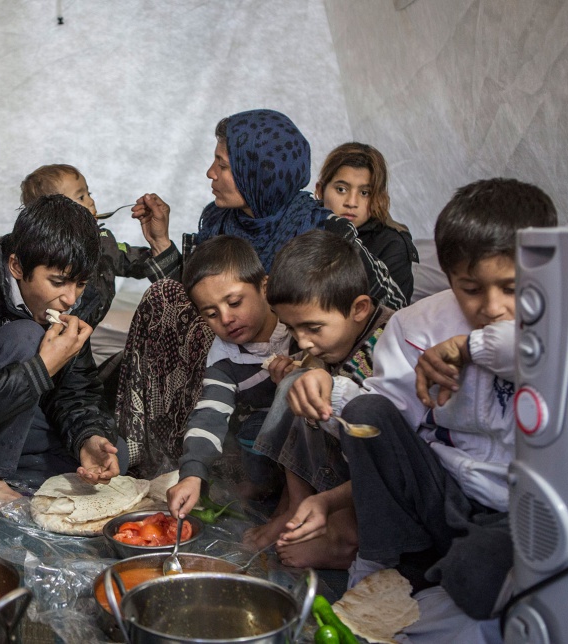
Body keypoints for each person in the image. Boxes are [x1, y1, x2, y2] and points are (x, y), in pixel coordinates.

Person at [115, 109, 407, 476]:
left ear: (260, 171)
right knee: (166, 296)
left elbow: (392, 312)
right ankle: (165, 457)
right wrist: (160, 243)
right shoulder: (220, 223)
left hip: (293, 373)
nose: (210, 173)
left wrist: (316, 365)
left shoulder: (321, 231)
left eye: (222, 165)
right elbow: (198, 302)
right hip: (223, 369)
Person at [335, 178, 557, 618]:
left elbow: (534, 349)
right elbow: (386, 425)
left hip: (524, 513)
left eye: (512, 288)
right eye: (470, 289)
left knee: (474, 579)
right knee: (365, 412)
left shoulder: (561, 322)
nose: (492, 307)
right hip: (446, 494)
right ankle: (389, 558)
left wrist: (469, 347)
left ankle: (440, 568)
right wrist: (329, 398)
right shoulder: (417, 326)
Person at [0, 194, 122, 502]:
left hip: (13, 415)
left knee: (113, 458)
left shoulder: (70, 295)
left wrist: (88, 437)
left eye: (80, 284)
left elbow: (77, 390)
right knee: (25, 336)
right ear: (17, 266)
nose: (71, 298)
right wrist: (43, 366)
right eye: (57, 282)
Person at [236, 230, 395, 569]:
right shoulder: (332, 337)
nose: (302, 341)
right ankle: (293, 506)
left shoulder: (390, 344)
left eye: (312, 328)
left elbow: (388, 452)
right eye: (292, 330)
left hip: (386, 480)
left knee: (308, 386)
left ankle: (344, 534)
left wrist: (316, 378)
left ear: (360, 309)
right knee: (300, 382)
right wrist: (306, 370)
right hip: (347, 472)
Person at [164, 235, 294, 520]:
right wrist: (193, 473)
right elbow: (210, 414)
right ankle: (265, 488)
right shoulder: (224, 359)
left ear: (264, 287)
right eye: (211, 314)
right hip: (266, 441)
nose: (226, 319)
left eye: (234, 302)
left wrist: (301, 369)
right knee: (253, 430)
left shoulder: (295, 325)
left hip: (313, 437)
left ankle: (291, 507)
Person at [20, 164, 179, 328]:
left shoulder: (104, 241)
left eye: (89, 194)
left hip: (86, 330)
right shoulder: (46, 253)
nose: (91, 201)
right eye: (81, 197)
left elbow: (134, 260)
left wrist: (159, 247)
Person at [315, 142, 419, 302]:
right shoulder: (300, 225)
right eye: (341, 189)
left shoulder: (393, 245)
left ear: (379, 197)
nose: (351, 202)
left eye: (365, 193)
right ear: (320, 190)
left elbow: (389, 316)